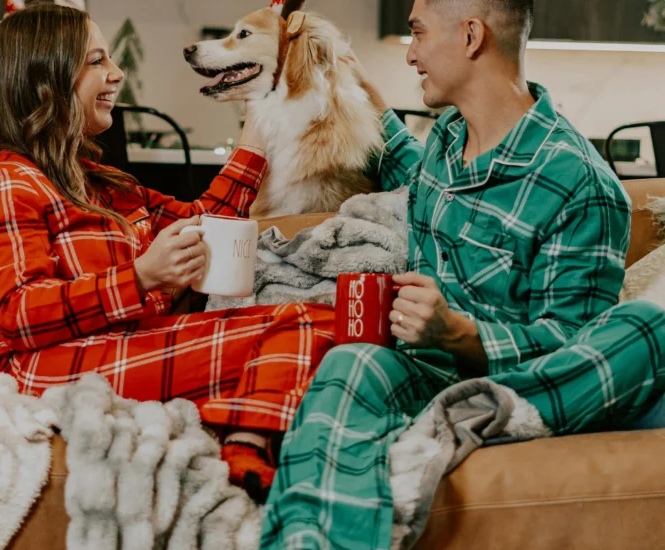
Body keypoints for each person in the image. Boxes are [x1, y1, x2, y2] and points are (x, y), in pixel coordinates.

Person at [261, 0, 665, 547]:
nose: (410, 53)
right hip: (421, 377)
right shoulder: (447, 142)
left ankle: (454, 421)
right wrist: (350, 87)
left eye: (418, 34)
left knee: (646, 329)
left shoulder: (579, 185)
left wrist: (457, 333)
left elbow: (573, 345)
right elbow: (414, 171)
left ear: (471, 36)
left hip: (518, 391)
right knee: (350, 361)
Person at [0, 4, 335, 500]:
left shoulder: (104, 184)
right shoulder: (8, 181)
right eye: (96, 61)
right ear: (45, 78)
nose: (116, 74)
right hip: (51, 368)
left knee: (322, 319)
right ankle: (246, 441)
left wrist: (256, 126)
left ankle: (245, 435)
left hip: (126, 346)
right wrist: (139, 278)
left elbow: (202, 219)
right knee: (309, 326)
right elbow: (19, 312)